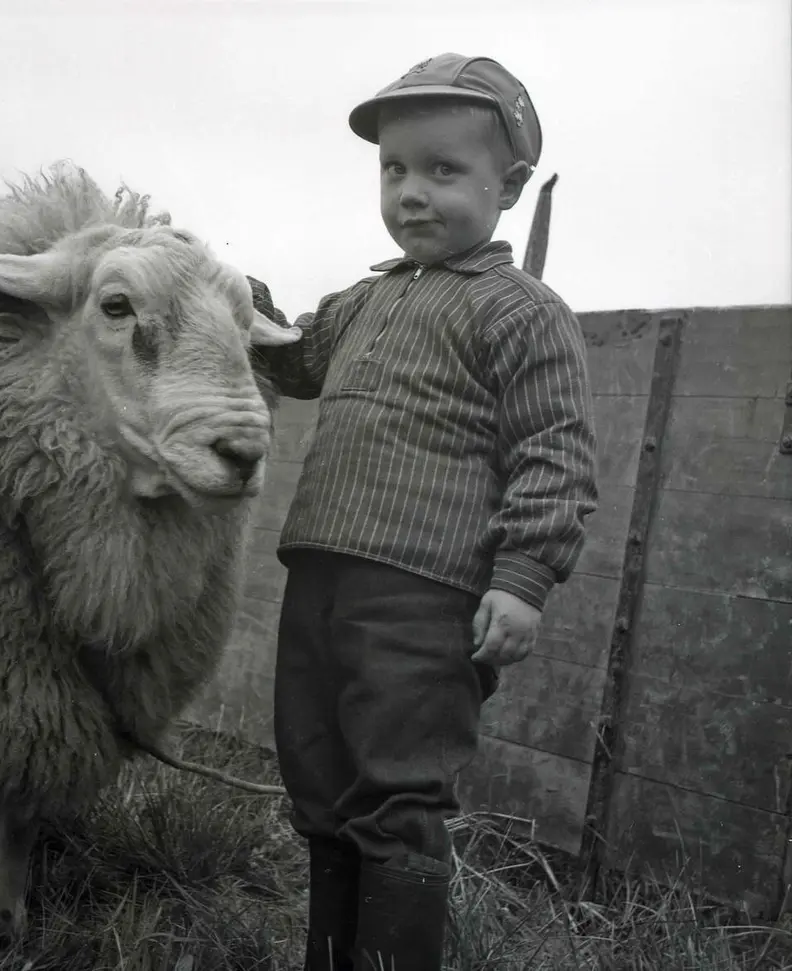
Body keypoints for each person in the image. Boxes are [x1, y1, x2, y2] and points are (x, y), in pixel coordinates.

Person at [247, 52, 599, 970]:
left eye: (443, 171)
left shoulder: (521, 311)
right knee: (320, 784)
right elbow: (293, 360)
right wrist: (236, 303)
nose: (412, 192)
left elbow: (556, 456)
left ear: (509, 186)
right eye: (394, 169)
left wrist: (523, 581)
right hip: (319, 582)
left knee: (398, 799)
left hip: (426, 598)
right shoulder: (360, 301)